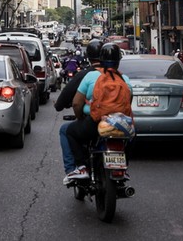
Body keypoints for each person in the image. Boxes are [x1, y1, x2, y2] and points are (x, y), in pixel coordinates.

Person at [63, 42, 132, 183]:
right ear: (118, 61)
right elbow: (128, 101)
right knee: (131, 138)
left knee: (69, 131)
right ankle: (123, 168)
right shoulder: (125, 79)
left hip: (95, 122)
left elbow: (76, 103)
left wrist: (80, 117)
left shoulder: (91, 77)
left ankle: (82, 167)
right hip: (121, 123)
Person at [56, 39, 104, 182]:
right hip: (118, 122)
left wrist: (61, 106)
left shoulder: (87, 75)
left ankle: (74, 170)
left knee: (66, 130)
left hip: (93, 122)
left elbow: (75, 103)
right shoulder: (120, 76)